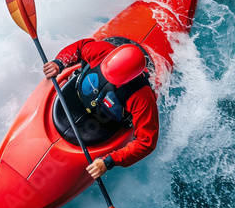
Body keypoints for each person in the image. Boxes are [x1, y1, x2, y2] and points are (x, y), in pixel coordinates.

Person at [42, 39, 159, 180]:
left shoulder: (141, 96)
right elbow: (80, 47)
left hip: (104, 124)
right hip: (74, 99)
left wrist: (109, 161)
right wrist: (60, 62)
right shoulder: (102, 52)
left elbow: (146, 142)